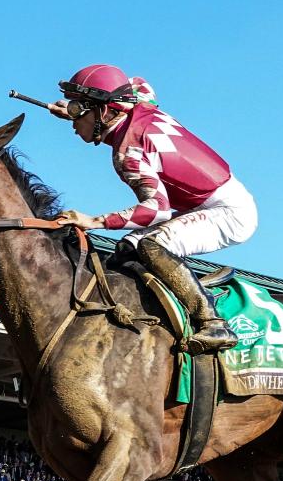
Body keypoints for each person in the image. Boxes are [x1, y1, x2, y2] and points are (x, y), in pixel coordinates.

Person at [51, 64, 257, 354]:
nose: (72, 122)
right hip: (203, 201)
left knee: (152, 245)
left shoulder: (128, 153)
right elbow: (138, 83)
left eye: (77, 111)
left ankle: (212, 323)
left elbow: (157, 209)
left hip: (228, 212)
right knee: (125, 251)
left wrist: (95, 221)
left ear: (104, 111)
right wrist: (76, 107)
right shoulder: (138, 103)